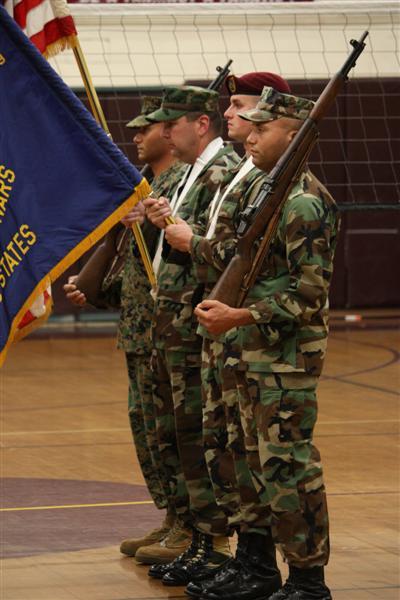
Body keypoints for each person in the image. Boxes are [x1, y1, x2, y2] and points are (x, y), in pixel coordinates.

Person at [194, 86, 339, 600]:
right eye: (250, 126)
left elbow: (309, 296)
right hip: (245, 353)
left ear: (295, 134)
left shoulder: (303, 202)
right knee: (247, 465)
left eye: (263, 127)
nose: (250, 135)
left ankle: (307, 579)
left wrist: (242, 313)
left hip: (284, 361)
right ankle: (258, 570)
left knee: (288, 471)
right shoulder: (259, 188)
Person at [162, 73, 292, 594]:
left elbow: (239, 254)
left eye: (242, 107)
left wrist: (191, 242)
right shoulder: (243, 174)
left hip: (258, 341)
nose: (233, 116)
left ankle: (274, 568)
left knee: (271, 462)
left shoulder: (263, 180)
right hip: (221, 331)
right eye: (232, 105)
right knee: (224, 448)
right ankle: (237, 555)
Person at [63, 96, 188, 560]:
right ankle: (173, 517)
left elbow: (174, 262)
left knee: (173, 430)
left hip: (165, 331)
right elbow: (143, 269)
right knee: (149, 430)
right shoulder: (148, 186)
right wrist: (100, 289)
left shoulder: (177, 186)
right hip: (139, 329)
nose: (135, 137)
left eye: (146, 129)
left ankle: (191, 527)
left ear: (171, 132)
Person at [134, 85, 240, 574]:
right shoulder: (191, 173)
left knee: (201, 435)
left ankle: (211, 539)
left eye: (172, 123)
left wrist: (185, 236)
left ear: (200, 124)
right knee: (178, 431)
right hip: (171, 323)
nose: (164, 132)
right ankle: (192, 529)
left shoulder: (221, 172)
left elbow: (224, 251)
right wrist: (165, 222)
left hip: (196, 325)